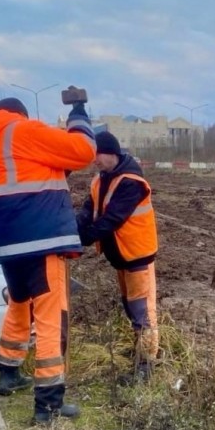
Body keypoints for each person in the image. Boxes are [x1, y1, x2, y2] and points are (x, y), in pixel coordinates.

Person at [0, 97, 95, 424]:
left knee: (19, 303)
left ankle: (9, 371)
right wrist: (79, 112)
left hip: (8, 244)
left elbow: (30, 176)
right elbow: (82, 151)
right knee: (51, 317)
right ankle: (48, 405)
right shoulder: (24, 130)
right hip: (42, 241)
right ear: (21, 115)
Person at [76, 131, 159, 382]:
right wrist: (73, 230)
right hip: (121, 256)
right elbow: (88, 210)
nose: (94, 161)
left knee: (142, 310)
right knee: (130, 306)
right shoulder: (100, 179)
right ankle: (140, 349)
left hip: (137, 255)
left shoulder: (130, 182)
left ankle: (147, 365)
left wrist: (82, 241)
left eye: (96, 155)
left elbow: (112, 220)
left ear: (110, 152)